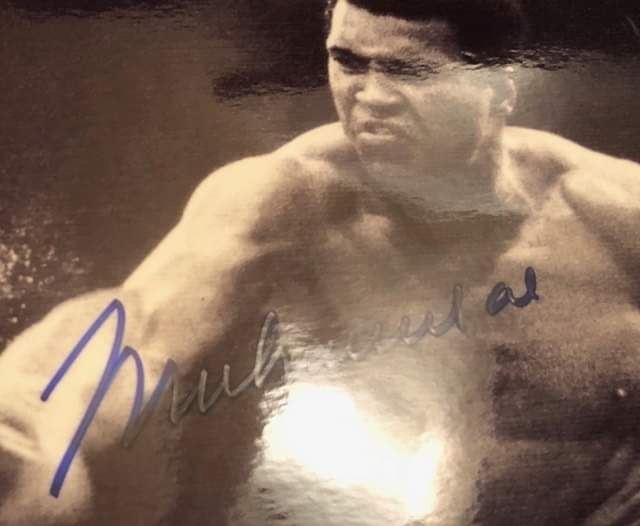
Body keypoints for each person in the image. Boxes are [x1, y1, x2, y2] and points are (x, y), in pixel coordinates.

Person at [1, 0, 639, 524]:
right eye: (348, 62)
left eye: (409, 71)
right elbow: (137, 327)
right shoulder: (282, 201)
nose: (371, 97)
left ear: (498, 88)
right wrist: (28, 416)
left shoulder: (615, 215)